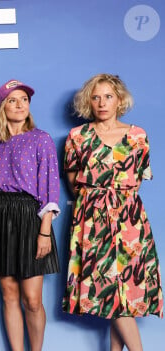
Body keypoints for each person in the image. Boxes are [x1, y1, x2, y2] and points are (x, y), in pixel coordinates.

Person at [63, 73, 163, 351]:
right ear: (88, 102)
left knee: (123, 296)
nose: (102, 102)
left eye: (108, 96)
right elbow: (74, 184)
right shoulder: (77, 137)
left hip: (130, 221)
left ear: (120, 100)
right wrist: (97, 206)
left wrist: (118, 205)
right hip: (92, 222)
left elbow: (137, 182)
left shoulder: (138, 135)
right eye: (95, 97)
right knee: (112, 295)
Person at [0, 79, 60, 351]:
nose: (19, 105)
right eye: (12, 100)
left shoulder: (41, 139)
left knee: (32, 299)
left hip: (31, 217)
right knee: (8, 295)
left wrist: (44, 231)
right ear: (2, 107)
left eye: (24, 100)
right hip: (0, 217)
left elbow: (51, 186)